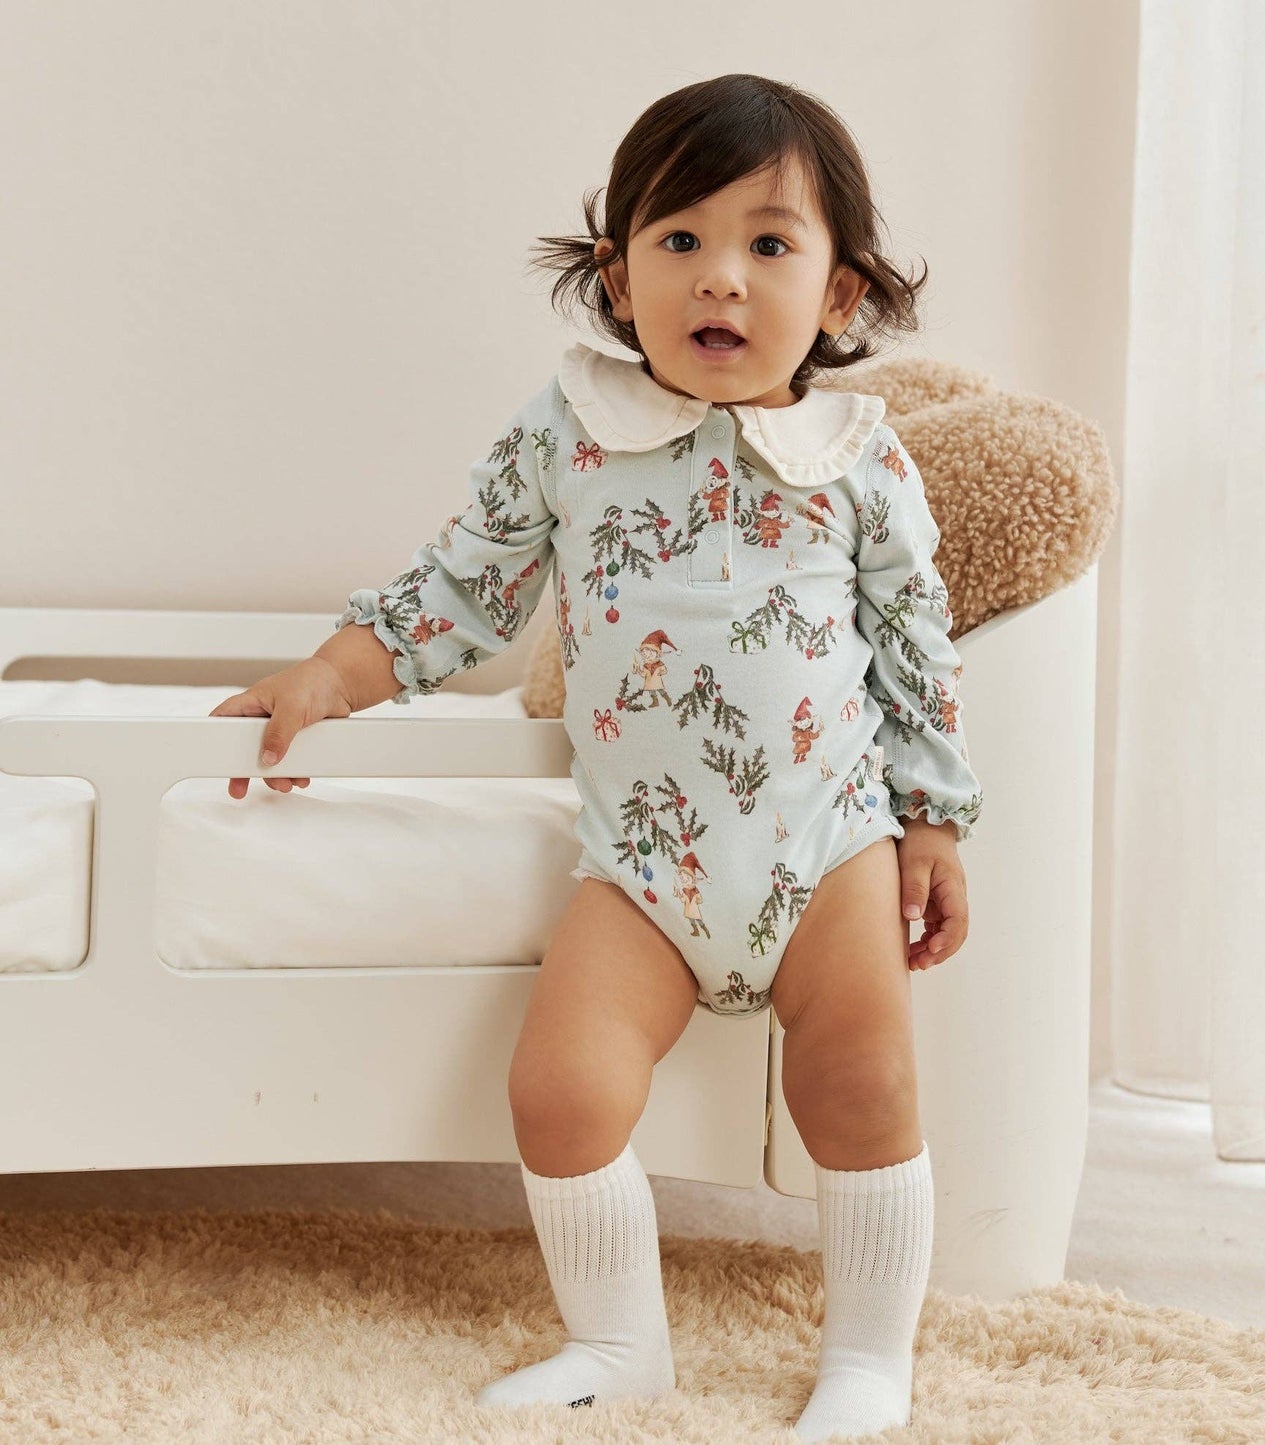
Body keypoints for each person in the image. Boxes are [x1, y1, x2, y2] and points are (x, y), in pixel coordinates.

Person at [209, 72, 983, 1440]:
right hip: (646, 859)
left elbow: (914, 650)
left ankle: (869, 1359)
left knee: (860, 1087)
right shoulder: (570, 435)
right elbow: (468, 584)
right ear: (617, 281)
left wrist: (931, 823)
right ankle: (616, 1340)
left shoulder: (860, 458)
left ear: (841, 295)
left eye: (766, 243)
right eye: (675, 240)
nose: (719, 280)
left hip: (829, 844)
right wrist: (338, 669)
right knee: (559, 1091)